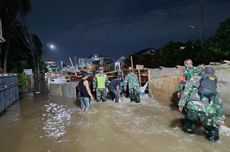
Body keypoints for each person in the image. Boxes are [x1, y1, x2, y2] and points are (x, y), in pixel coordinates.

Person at [178, 67, 225, 142]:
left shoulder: (194, 78)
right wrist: (220, 117)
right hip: (208, 110)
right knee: (212, 130)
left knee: (189, 124)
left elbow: (186, 92)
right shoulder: (215, 83)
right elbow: (218, 101)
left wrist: (181, 104)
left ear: (202, 72)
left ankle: (187, 138)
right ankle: (213, 144)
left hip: (192, 107)